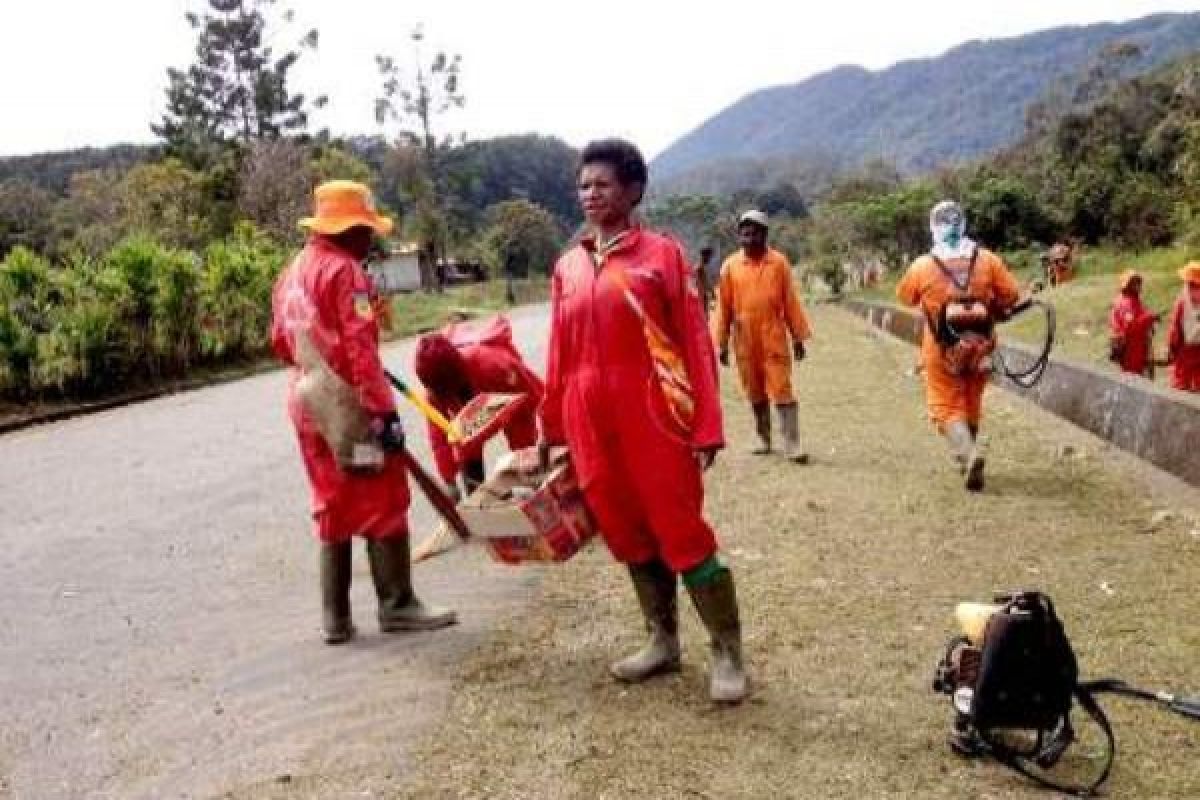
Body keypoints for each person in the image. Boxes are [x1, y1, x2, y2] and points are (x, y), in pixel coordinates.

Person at [539, 138, 747, 703]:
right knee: (624, 527)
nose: (590, 194)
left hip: (654, 415)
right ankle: (662, 640)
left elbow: (696, 344)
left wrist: (706, 424)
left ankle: (727, 652)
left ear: (632, 191)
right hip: (589, 420)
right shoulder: (568, 267)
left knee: (680, 529)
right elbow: (558, 354)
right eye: (583, 185)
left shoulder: (664, 257)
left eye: (602, 184)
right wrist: (551, 425)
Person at [270, 180, 456, 645]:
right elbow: (360, 350)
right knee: (384, 494)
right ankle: (398, 605)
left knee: (331, 499)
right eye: (365, 229)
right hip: (349, 408)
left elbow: (278, 340)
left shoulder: (291, 272)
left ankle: (335, 617)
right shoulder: (345, 272)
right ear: (349, 228)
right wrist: (382, 413)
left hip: (306, 401)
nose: (371, 239)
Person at [896, 200, 1021, 492]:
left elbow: (905, 297)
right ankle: (968, 456)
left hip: (941, 349)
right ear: (963, 224)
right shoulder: (987, 260)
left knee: (944, 404)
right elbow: (1011, 294)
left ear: (933, 227)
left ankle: (969, 454)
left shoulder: (922, 266)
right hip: (982, 346)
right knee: (971, 400)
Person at [713, 210, 813, 462]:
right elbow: (723, 308)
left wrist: (798, 337)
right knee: (754, 390)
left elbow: (790, 301)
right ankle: (763, 439)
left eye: (755, 232)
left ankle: (792, 444)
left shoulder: (778, 263)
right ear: (739, 236)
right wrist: (722, 343)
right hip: (744, 339)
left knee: (781, 388)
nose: (749, 237)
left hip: (773, 335)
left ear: (765, 235)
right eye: (745, 232)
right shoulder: (729, 267)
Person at [414, 315, 544, 500]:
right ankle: (480, 505)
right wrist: (449, 481)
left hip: (512, 404)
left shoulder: (494, 365)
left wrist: (544, 440)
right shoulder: (434, 390)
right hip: (472, 417)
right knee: (469, 464)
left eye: (449, 390)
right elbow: (439, 436)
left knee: (527, 465)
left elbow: (533, 396)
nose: (443, 395)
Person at [1108, 270, 1158, 378]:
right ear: (1128, 285)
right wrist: (1150, 317)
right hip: (1131, 349)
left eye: (1138, 282)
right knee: (1133, 378)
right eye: (1134, 283)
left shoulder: (1134, 300)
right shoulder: (1126, 303)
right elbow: (1130, 327)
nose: (1138, 286)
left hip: (1138, 347)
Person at [1166, 262, 1200, 392]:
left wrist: (1171, 348)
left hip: (1184, 352)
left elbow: (1174, 330)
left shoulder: (1182, 301)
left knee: (1179, 388)